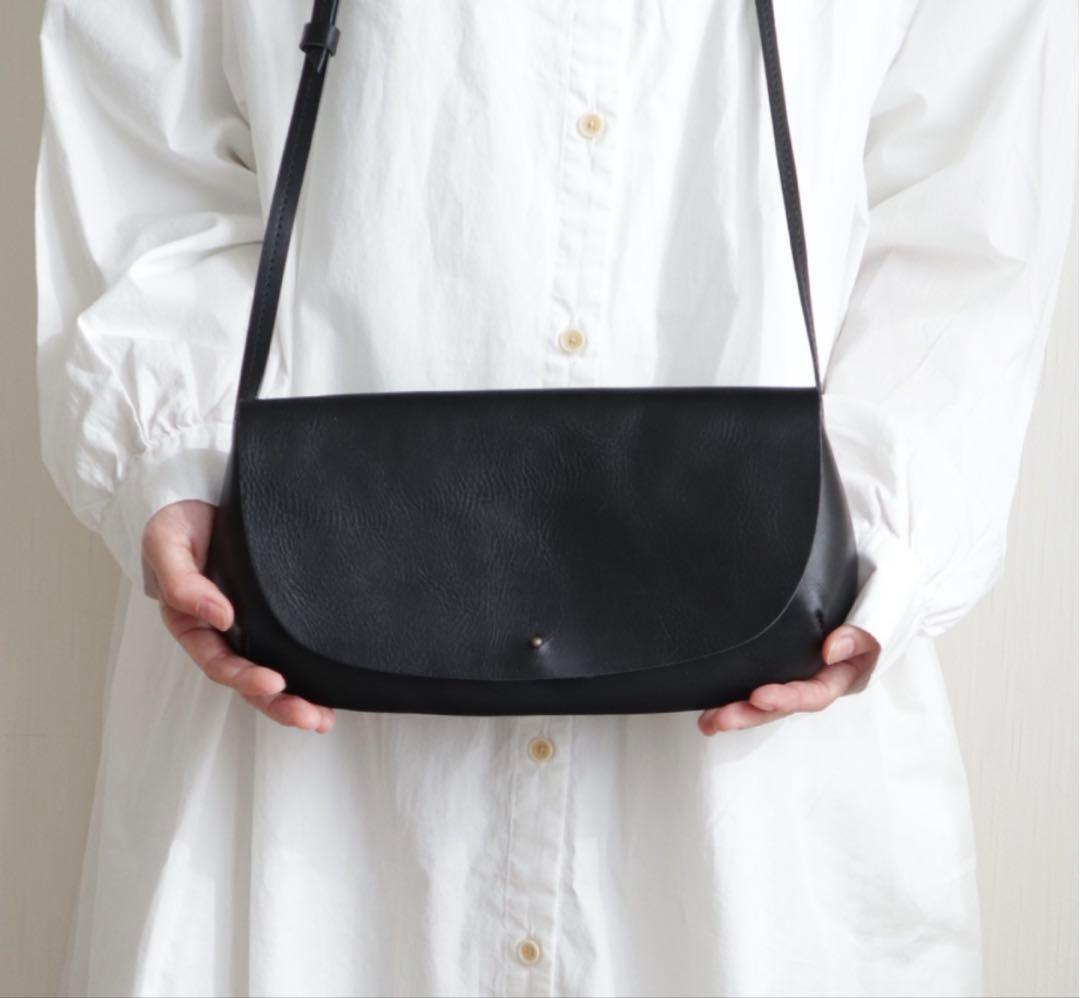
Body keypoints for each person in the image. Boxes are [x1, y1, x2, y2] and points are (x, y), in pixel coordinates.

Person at [35, 1, 1075, 995]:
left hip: (763, 794)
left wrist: (881, 538)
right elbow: (143, 150)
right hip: (297, 703)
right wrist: (175, 464)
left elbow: (966, 210)